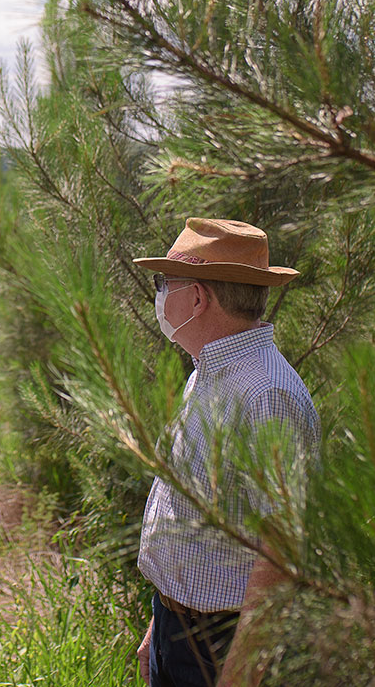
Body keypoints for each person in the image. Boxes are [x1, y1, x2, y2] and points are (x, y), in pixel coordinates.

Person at [132, 218, 320, 687]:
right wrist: (162, 621)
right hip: (178, 627)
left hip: (224, 647)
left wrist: (240, 672)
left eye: (164, 284)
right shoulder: (208, 371)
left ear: (197, 298)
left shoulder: (266, 393)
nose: (160, 296)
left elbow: (281, 552)